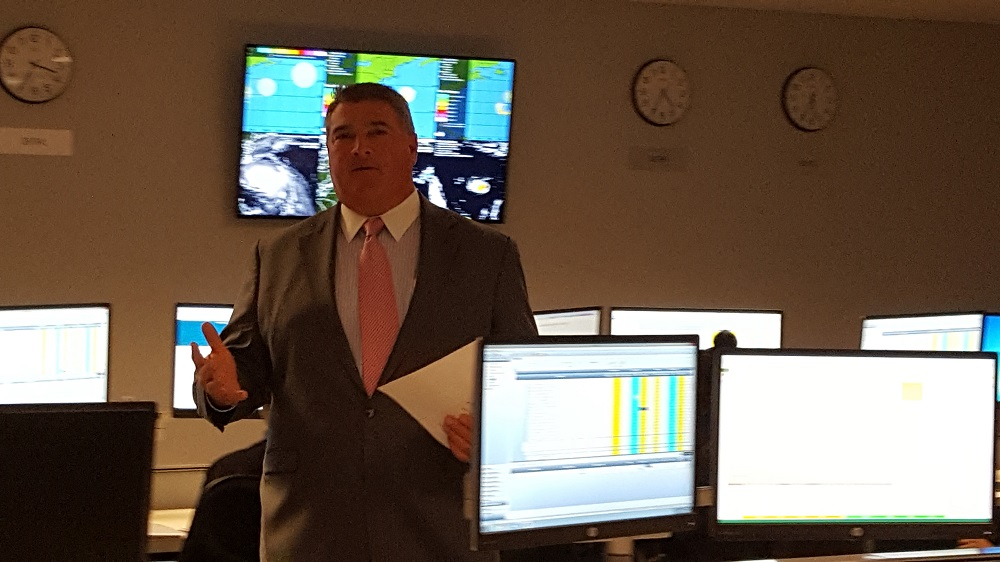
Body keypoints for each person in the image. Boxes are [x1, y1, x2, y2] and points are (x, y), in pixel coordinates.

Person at [192, 82, 536, 562]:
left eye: (377, 131)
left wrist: (494, 431)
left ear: (413, 147)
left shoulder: (486, 256)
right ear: (328, 151)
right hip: (308, 530)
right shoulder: (279, 253)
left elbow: (523, 386)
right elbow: (244, 366)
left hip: (437, 529)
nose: (359, 147)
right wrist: (218, 388)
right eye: (342, 136)